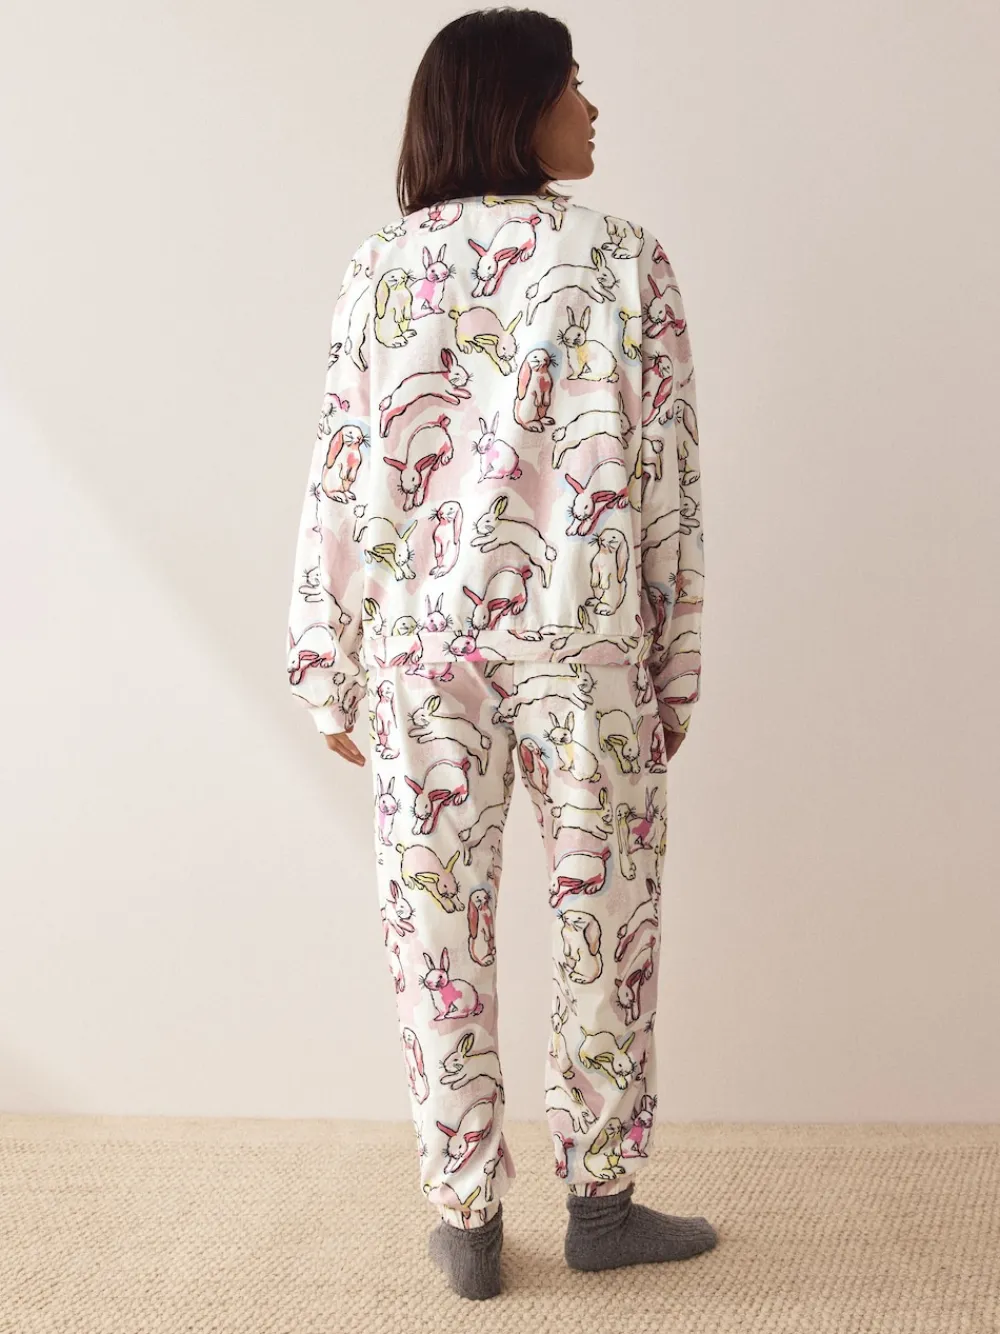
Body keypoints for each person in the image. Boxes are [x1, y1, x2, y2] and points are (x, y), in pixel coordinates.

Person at [286, 6, 713, 1302]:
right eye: (572, 85)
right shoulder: (622, 258)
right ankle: (602, 1204)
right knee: (607, 918)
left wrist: (325, 656)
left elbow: (345, 468)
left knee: (432, 930)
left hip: (422, 654)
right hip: (584, 642)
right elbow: (665, 478)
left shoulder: (381, 268)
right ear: (512, 106)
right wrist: (674, 664)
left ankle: (467, 1219)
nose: (593, 108)